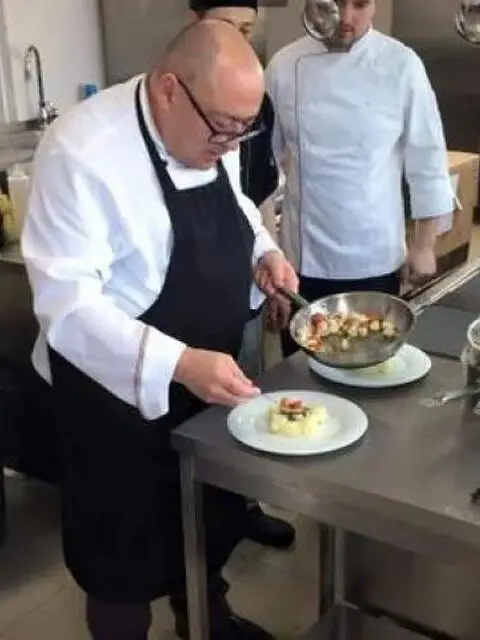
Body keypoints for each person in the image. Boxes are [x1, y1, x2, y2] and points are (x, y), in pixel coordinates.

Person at [22, 20, 298, 640]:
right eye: (223, 128)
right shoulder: (81, 150)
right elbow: (67, 305)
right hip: (112, 397)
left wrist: (264, 253)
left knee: (204, 520)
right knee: (122, 556)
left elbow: (239, 205)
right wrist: (179, 363)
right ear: (170, 89)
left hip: (206, 378)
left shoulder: (212, 129)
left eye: (244, 129)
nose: (232, 145)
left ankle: (207, 621)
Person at [265, 0, 455, 348]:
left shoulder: (401, 64)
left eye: (360, 4)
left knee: (371, 363)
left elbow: (427, 158)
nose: (346, 18)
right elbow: (262, 168)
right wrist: (268, 252)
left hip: (375, 256)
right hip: (301, 260)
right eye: (335, 3)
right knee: (301, 369)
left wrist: (424, 245)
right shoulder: (283, 65)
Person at [190, 0, 296, 551]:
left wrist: (269, 255)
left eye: (247, 29)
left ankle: (245, 506)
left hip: (247, 275)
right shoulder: (184, 103)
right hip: (192, 300)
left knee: (248, 396)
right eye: (225, 26)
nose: (238, 38)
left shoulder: (256, 103)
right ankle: (205, 525)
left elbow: (254, 197)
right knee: (202, 422)